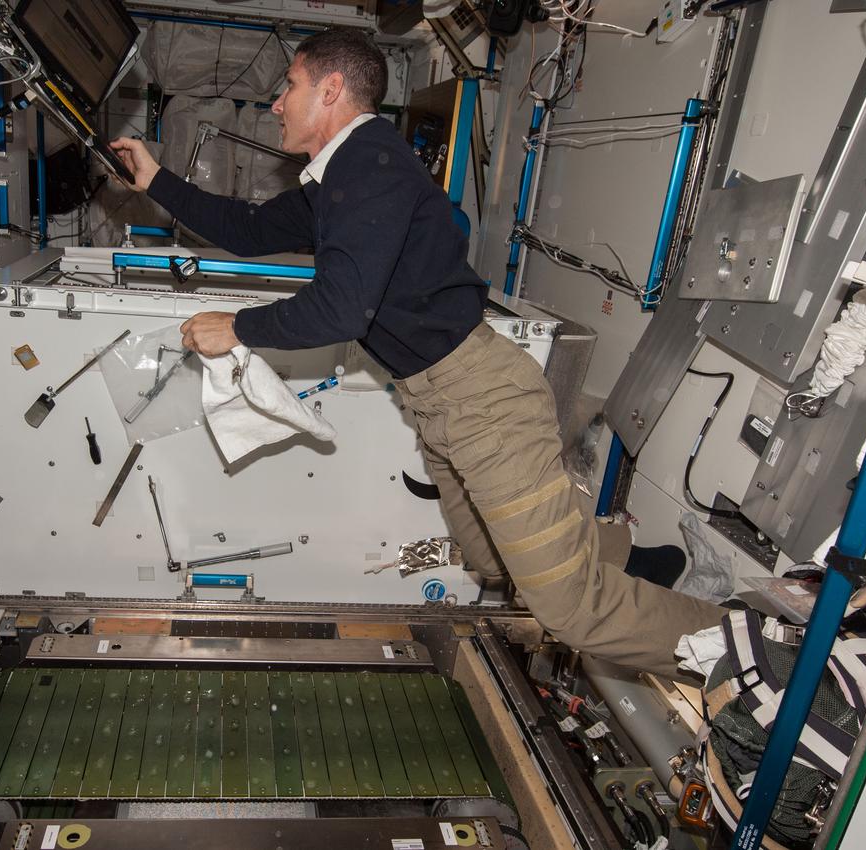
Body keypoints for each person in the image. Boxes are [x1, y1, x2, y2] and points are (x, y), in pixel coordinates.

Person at [111, 28, 724, 677]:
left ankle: (749, 654)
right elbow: (250, 229)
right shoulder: (338, 179)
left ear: (331, 89)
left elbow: (342, 307)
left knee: (569, 608)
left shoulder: (369, 166)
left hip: (484, 398)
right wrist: (156, 179)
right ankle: (644, 561)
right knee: (488, 560)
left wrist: (236, 327)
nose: (276, 103)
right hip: (440, 401)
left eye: (289, 86)